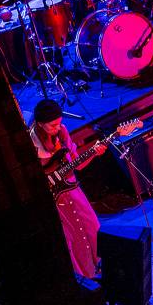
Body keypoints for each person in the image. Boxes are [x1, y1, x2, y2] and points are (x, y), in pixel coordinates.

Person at [29, 98, 103, 278]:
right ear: (40, 124)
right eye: (52, 125)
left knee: (93, 226)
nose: (57, 128)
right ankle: (85, 280)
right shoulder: (30, 144)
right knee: (72, 240)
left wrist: (94, 153)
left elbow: (77, 164)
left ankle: (103, 270)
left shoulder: (62, 133)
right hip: (55, 199)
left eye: (59, 123)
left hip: (72, 189)